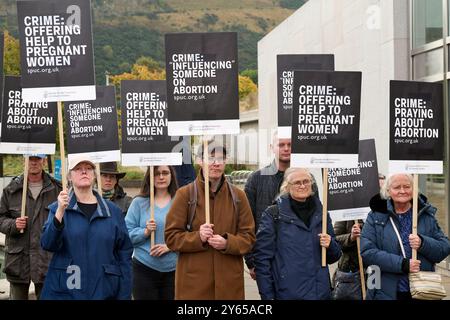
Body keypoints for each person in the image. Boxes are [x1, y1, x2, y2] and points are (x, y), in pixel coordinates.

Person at [165, 142, 255, 299]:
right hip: (194, 287)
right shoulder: (184, 195)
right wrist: (197, 237)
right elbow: (171, 238)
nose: (216, 163)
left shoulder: (239, 197)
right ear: (199, 160)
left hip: (229, 286)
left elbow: (249, 238)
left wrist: (228, 243)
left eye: (221, 158)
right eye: (211, 157)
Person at [40, 154, 133, 300]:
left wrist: (124, 294)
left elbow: (124, 255)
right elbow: (48, 244)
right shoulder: (57, 209)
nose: (84, 171)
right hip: (66, 291)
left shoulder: (113, 211)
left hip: (104, 290)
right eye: (78, 169)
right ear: (69, 176)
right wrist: (59, 213)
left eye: (89, 168)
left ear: (94, 176)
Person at [254, 168, 341, 300]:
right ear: (287, 187)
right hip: (288, 293)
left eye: (306, 181)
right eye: (297, 182)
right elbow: (262, 259)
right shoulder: (273, 214)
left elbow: (334, 257)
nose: (302, 185)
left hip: (320, 293)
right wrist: (267, 296)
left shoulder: (321, 213)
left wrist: (331, 245)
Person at [360, 173, 450, 300]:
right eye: (397, 187)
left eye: (407, 187)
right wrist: (403, 264)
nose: (402, 191)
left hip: (423, 290)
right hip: (386, 292)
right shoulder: (375, 216)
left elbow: (444, 248)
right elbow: (367, 252)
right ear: (388, 191)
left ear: (414, 189)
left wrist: (423, 243)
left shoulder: (425, 215)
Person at [0, 154, 62, 300]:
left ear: (44, 161)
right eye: (30, 159)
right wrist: (13, 225)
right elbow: (0, 218)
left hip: (46, 260)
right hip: (18, 262)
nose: (34, 162)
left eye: (37, 159)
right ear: (24, 161)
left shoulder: (57, 189)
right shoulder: (11, 189)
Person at [125, 165, 178, 300]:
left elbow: (189, 233)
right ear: (150, 176)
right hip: (144, 269)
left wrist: (170, 246)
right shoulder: (138, 203)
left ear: (172, 176)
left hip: (174, 270)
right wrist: (145, 232)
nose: (161, 177)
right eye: (156, 173)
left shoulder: (180, 202)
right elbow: (126, 234)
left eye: (165, 173)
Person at [244, 132, 291, 279]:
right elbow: (246, 221)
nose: (286, 148)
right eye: (281, 144)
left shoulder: (306, 180)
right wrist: (251, 261)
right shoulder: (256, 179)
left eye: (290, 145)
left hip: (296, 257)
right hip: (265, 258)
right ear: (272, 147)